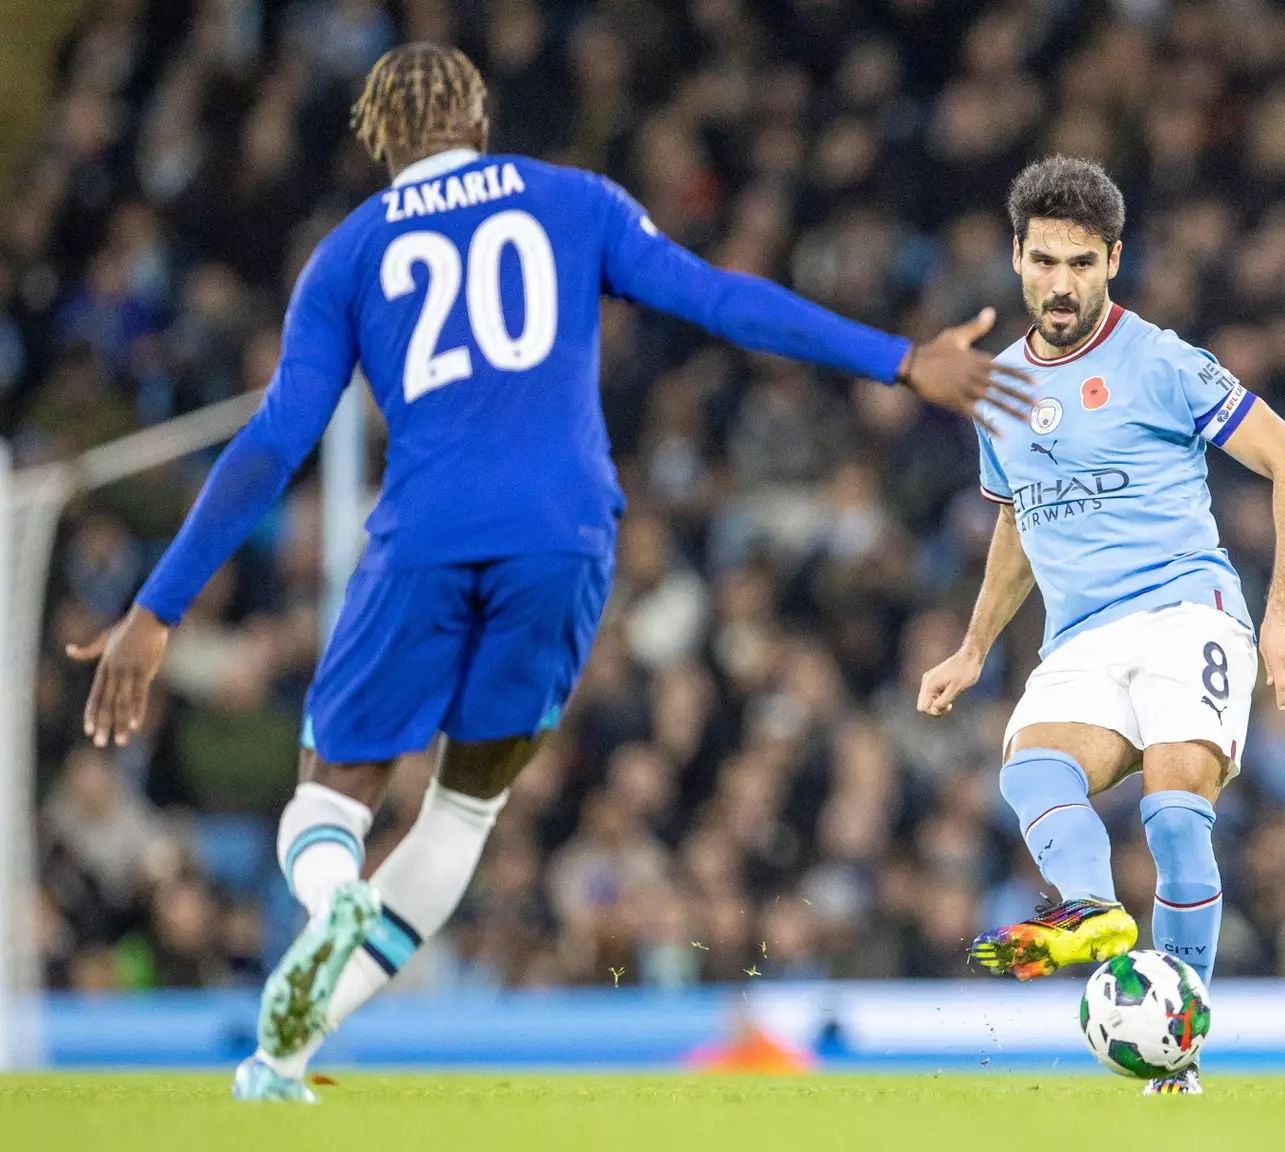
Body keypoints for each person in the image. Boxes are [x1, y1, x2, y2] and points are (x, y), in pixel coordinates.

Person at [67, 43, 1032, 1102]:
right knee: (462, 816)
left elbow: (273, 441)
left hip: (424, 537)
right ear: (480, 121)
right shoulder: (577, 201)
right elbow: (718, 298)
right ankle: (285, 1052)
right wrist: (899, 359)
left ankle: (329, 901)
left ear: (376, 140)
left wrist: (157, 607)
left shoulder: (346, 255)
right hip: (565, 536)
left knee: (329, 805)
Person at [916, 155, 1285, 1096]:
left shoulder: (1165, 362)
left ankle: (1175, 1058)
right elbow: (1017, 517)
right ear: (1016, 256)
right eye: (1046, 261)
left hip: (1189, 612)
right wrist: (974, 647)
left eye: (1083, 264)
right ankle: (1092, 910)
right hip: (1082, 639)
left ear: (1114, 263)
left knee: (1177, 816)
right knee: (1030, 765)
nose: (1062, 284)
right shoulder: (998, 387)